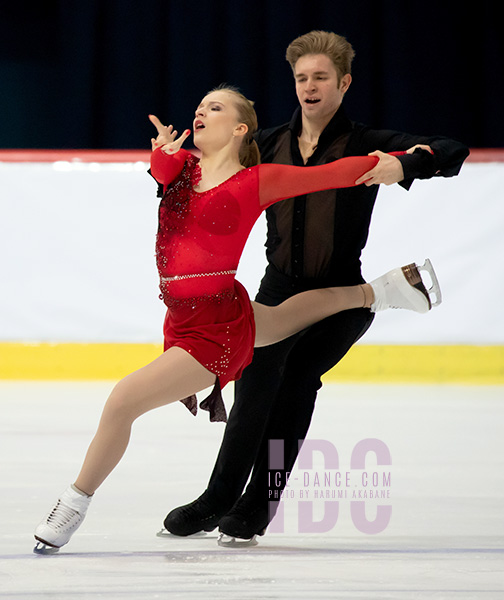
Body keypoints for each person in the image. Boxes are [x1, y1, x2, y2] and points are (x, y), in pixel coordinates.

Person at [33, 85, 440, 553]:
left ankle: (73, 504)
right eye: (199, 106)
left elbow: (331, 174)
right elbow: (163, 170)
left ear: (240, 127)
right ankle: (382, 291)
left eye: (215, 107)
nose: (200, 112)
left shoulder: (255, 181)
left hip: (212, 331)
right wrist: (163, 154)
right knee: (276, 321)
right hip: (191, 313)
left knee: (123, 401)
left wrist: (398, 161)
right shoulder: (182, 168)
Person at [162, 31, 469, 547]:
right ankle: (216, 500)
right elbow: (208, 183)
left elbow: (451, 150)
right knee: (254, 386)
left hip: (339, 295)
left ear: (343, 83)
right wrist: (166, 169)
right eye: (302, 77)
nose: (310, 85)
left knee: (298, 382)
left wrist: (406, 163)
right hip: (277, 289)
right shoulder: (269, 145)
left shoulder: (367, 142)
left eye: (321, 77)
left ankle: (256, 508)